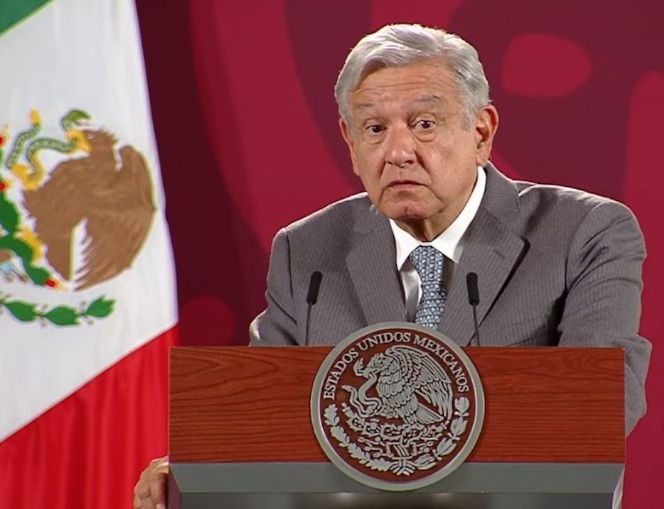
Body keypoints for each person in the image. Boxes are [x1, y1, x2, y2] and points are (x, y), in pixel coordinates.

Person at [133, 23, 651, 509]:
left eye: (425, 124)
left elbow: (603, 406)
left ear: (481, 130)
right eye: (375, 128)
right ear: (350, 141)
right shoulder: (307, 251)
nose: (399, 151)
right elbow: (266, 418)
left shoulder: (583, 234)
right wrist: (203, 469)